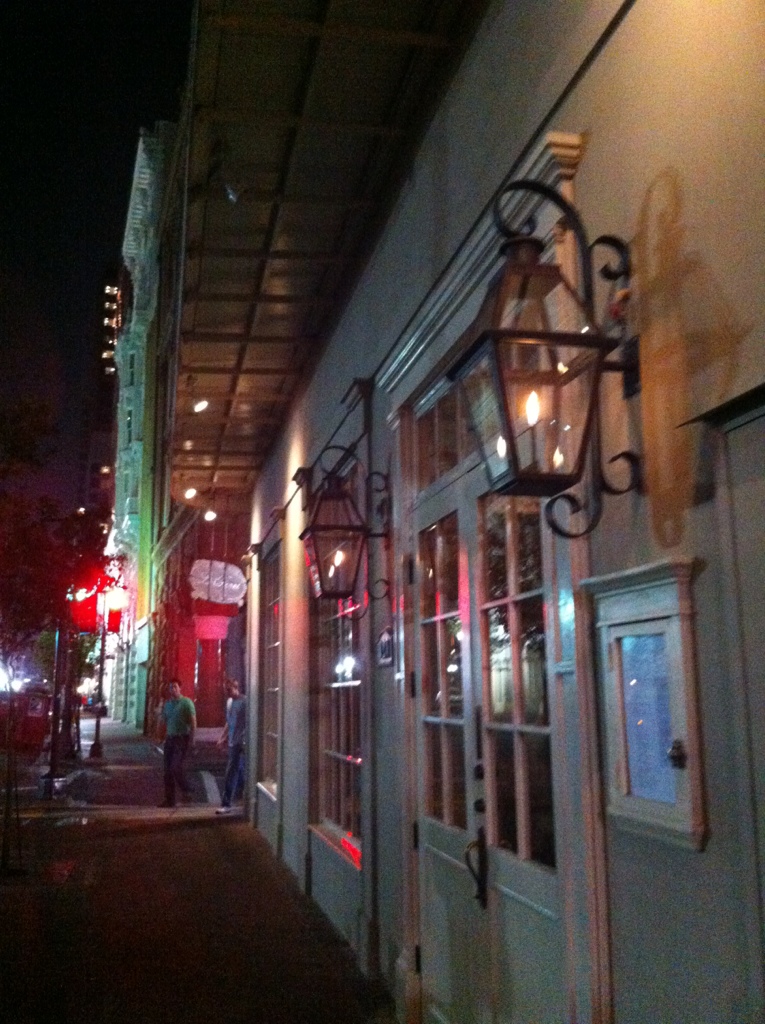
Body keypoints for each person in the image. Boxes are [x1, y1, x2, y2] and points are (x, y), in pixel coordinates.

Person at [159, 679, 196, 808]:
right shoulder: (168, 705)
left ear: (180, 688)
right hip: (169, 739)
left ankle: (187, 789)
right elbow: (163, 721)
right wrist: (161, 736)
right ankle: (169, 800)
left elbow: (193, 722)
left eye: (175, 687)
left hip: (181, 739)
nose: (173, 689)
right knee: (167, 771)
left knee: (175, 767)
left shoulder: (186, 702)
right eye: (171, 687)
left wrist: (192, 739)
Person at [215, 678, 246, 814]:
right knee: (239, 771)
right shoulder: (229, 702)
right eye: (225, 690)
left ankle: (226, 803)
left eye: (229, 690)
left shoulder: (245, 702)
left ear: (236, 687)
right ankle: (242, 797)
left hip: (241, 741)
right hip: (233, 741)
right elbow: (229, 722)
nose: (227, 692)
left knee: (231, 772)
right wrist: (223, 737)